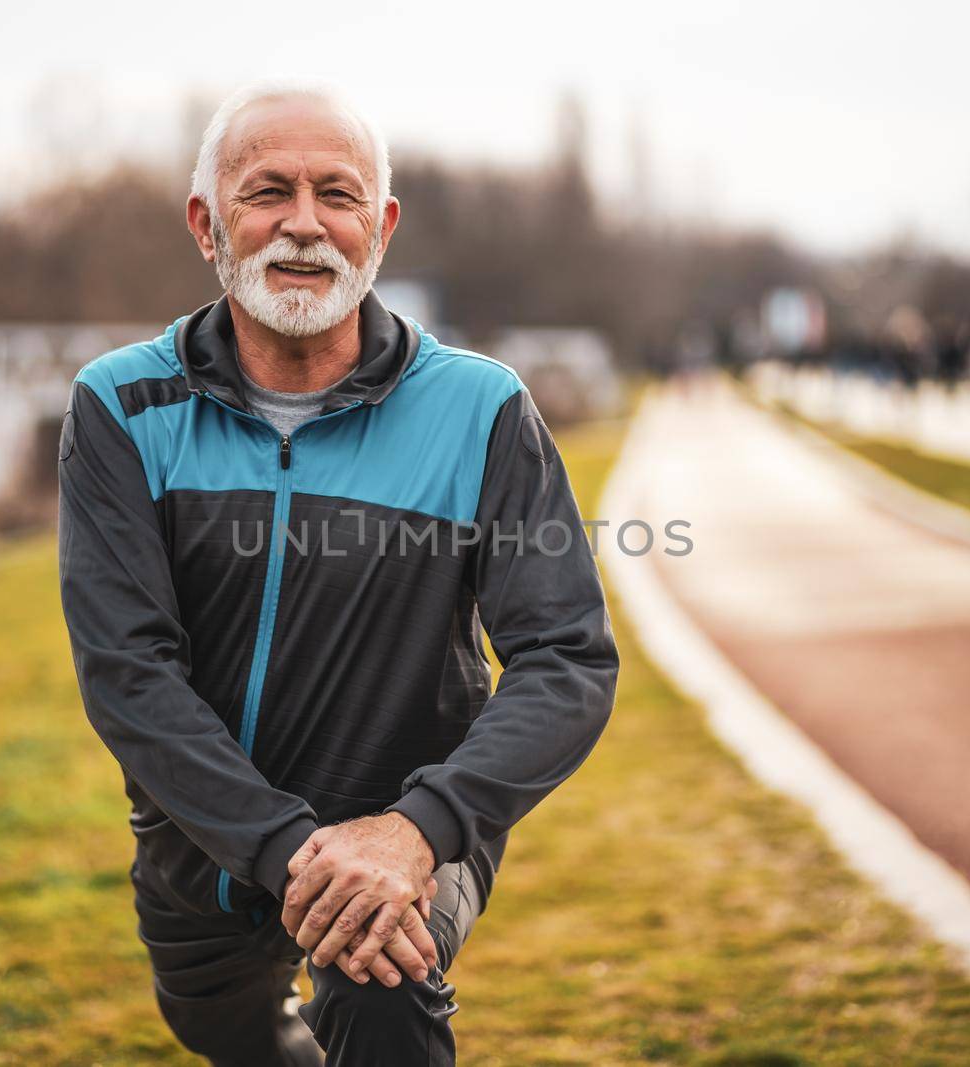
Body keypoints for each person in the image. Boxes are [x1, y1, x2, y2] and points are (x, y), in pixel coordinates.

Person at [55, 79, 619, 1067]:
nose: (305, 225)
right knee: (228, 1030)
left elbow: (566, 658)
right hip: (205, 849)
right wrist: (289, 854)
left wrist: (416, 830)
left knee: (380, 982)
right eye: (268, 190)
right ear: (206, 221)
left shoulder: (480, 408)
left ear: (381, 226)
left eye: (339, 195)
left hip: (415, 829)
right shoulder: (120, 405)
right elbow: (128, 673)